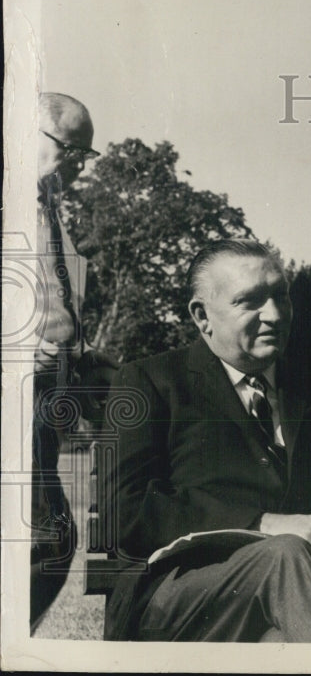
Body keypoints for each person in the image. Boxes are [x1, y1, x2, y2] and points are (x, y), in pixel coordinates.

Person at [103, 239, 311, 642]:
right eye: (250, 302)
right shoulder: (150, 382)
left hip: (288, 594)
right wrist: (261, 525)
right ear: (202, 316)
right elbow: (122, 512)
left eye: (281, 296)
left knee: (282, 641)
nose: (276, 315)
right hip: (171, 599)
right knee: (285, 553)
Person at [31, 93, 118, 630]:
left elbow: (55, 305)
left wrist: (90, 360)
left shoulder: (47, 211)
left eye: (86, 156)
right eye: (70, 150)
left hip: (47, 396)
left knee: (49, 539)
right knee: (48, 540)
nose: (79, 166)